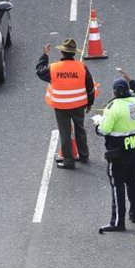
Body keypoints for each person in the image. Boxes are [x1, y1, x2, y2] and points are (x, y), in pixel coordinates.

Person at [96, 68, 135, 234]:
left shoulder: (112, 108)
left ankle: (118, 222)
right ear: (128, 90)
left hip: (117, 154)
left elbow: (104, 130)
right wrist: (131, 80)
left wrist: (97, 126)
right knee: (132, 182)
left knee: (117, 185)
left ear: (114, 92)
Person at [36, 38, 97, 170]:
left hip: (61, 106)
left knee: (65, 132)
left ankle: (69, 161)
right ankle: (84, 155)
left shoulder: (54, 68)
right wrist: (90, 103)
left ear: (62, 52)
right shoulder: (82, 67)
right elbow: (90, 87)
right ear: (74, 53)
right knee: (80, 129)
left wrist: (45, 55)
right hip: (79, 105)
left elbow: (39, 71)